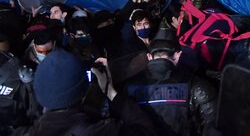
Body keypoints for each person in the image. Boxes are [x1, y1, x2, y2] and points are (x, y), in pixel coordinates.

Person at [12, 50, 156, 135]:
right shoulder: (103, 131)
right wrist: (111, 92)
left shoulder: (23, 132)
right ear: (83, 90)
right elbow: (146, 130)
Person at [124, 28, 218, 135]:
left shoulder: (131, 87)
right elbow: (212, 127)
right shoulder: (197, 87)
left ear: (149, 57)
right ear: (178, 55)